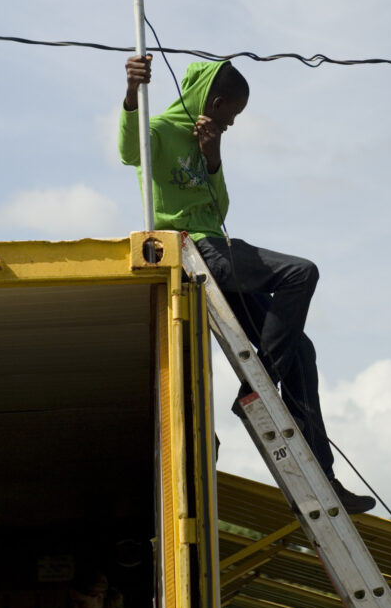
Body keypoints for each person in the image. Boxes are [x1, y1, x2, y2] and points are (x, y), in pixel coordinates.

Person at [119, 54, 375, 514]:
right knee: (301, 272)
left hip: (219, 247)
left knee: (302, 351)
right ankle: (256, 389)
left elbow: (220, 209)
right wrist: (131, 94)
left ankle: (322, 479)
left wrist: (213, 158)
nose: (232, 124)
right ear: (214, 103)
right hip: (194, 249)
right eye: (231, 115)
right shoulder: (158, 131)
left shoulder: (207, 140)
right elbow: (127, 151)